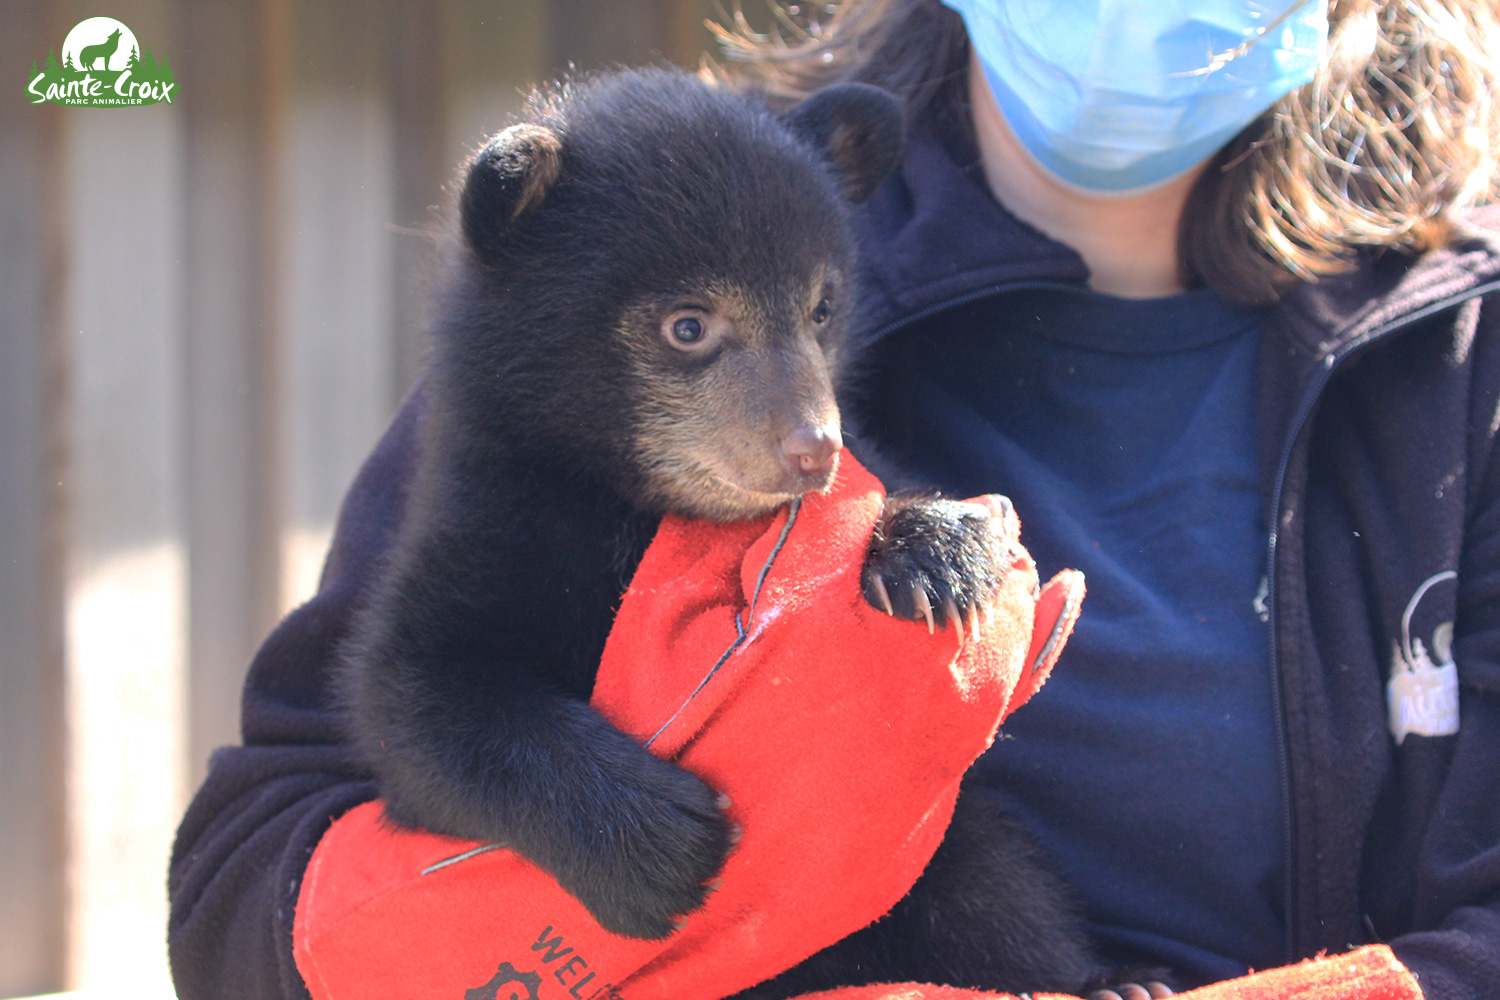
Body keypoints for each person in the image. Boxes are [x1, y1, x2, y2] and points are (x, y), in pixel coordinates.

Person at [168, 2, 1500, 998]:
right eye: (701, 334)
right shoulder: (642, 249)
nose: (805, 425)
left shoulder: (1456, 364)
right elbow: (244, 887)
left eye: (814, 324)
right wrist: (557, 901)